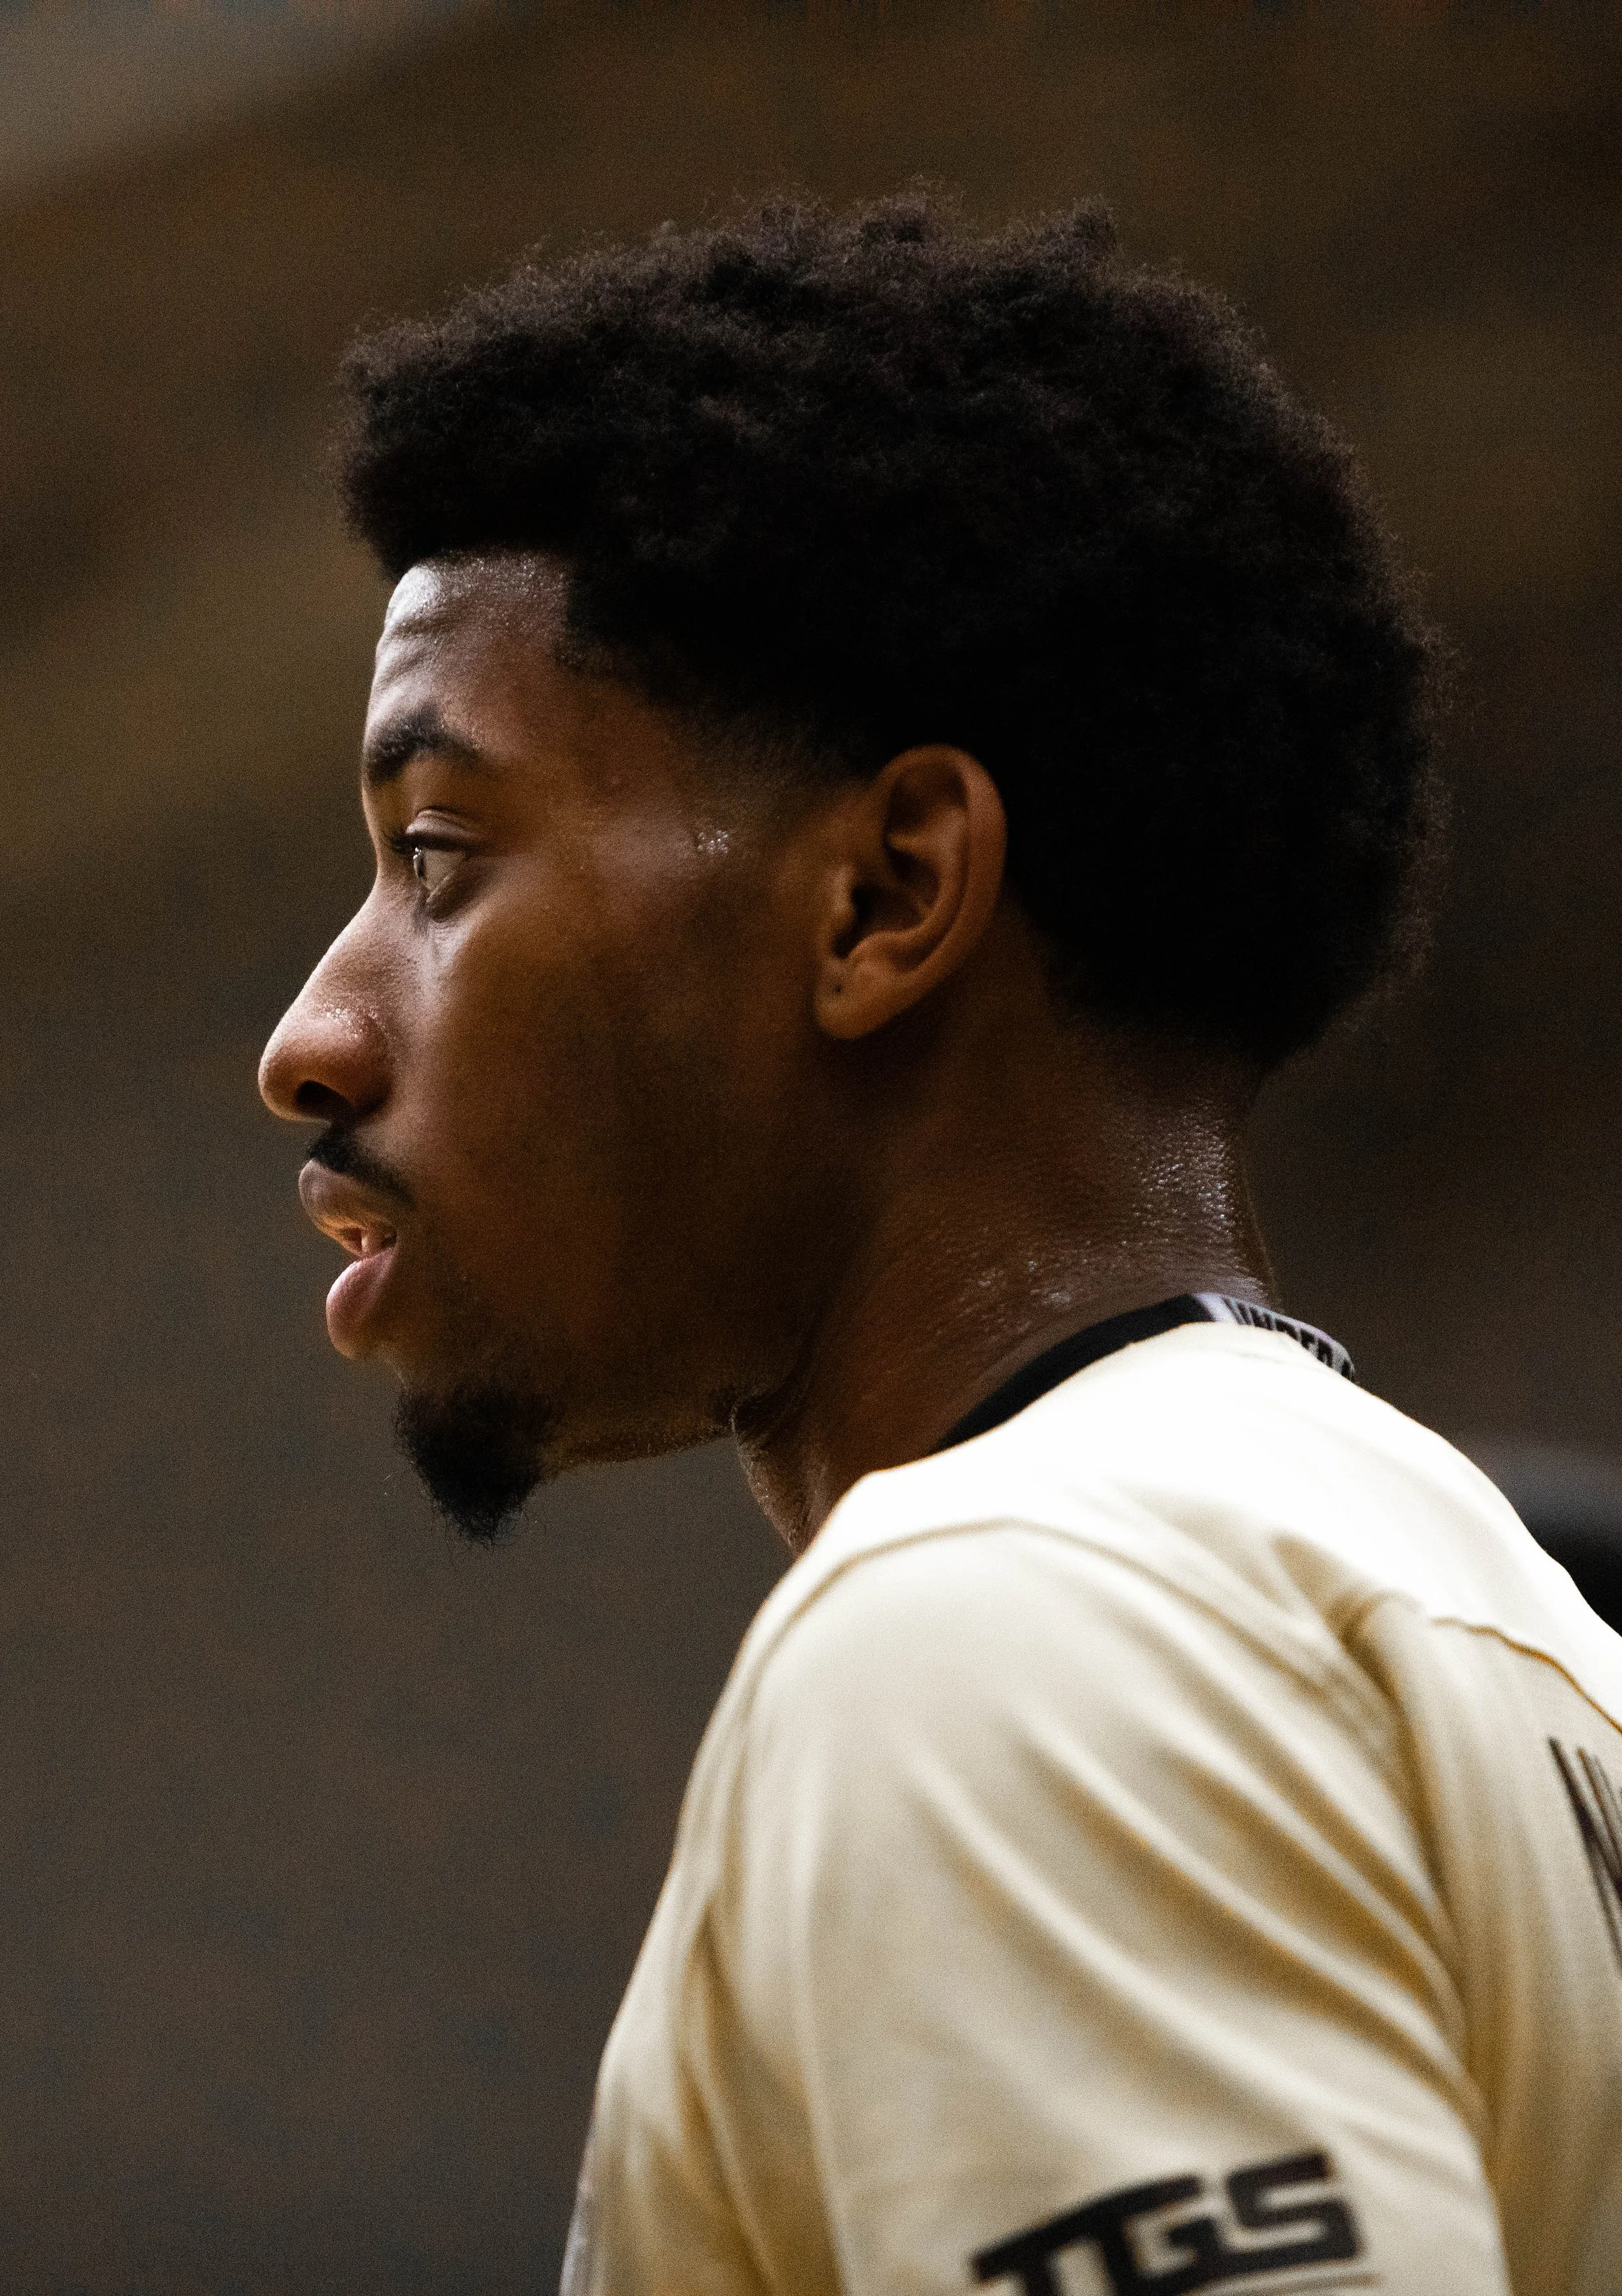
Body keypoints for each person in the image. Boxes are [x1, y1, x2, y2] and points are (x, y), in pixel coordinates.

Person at [258, 195, 1622, 2296]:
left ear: (887, 895)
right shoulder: (1495, 1617)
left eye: (440, 859)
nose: (312, 1041)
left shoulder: (1012, 1626)